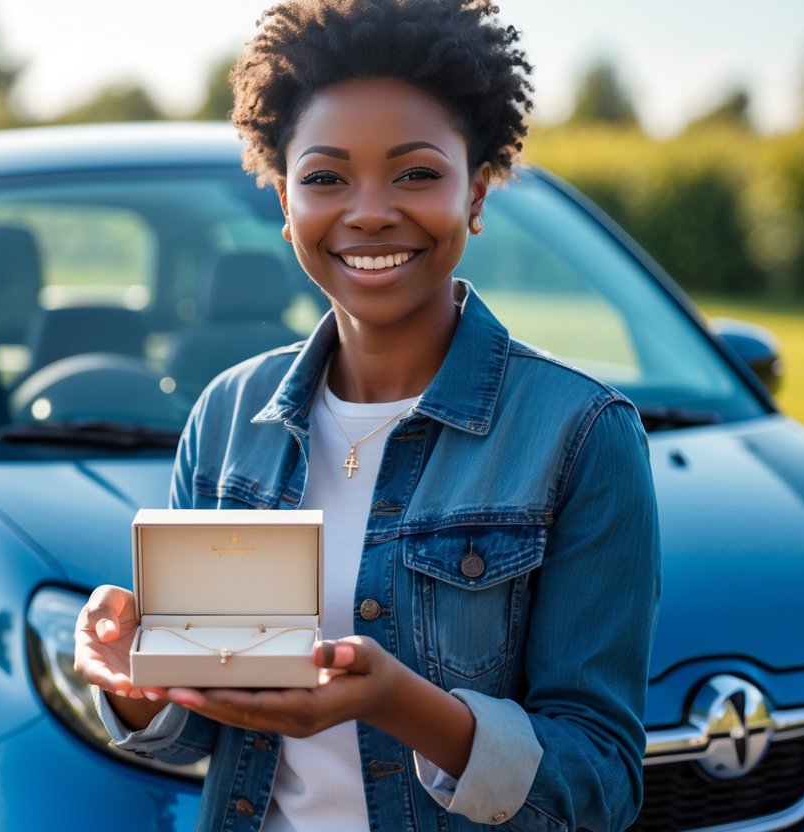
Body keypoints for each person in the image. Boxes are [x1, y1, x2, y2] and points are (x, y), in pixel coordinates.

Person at [74, 1, 661, 829]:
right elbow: (194, 737)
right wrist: (136, 682)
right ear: (283, 202)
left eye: (416, 173)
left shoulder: (581, 435)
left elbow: (599, 781)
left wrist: (401, 706)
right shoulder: (226, 419)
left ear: (479, 190)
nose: (370, 210)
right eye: (324, 178)